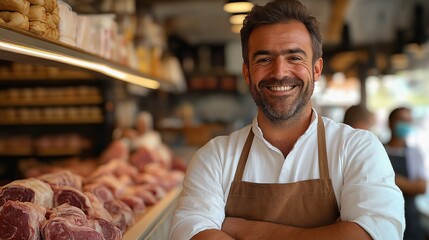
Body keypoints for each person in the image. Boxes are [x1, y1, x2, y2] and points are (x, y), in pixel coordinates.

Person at [168, 0, 405, 239]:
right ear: (247, 73)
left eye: (294, 58)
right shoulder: (214, 158)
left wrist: (246, 229)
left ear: (316, 69)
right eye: (264, 59)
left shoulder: (357, 148)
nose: (280, 72)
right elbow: (190, 234)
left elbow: (378, 233)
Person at [385, 107, 427, 240]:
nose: (406, 124)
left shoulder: (415, 152)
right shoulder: (379, 150)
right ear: (390, 123)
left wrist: (391, 178)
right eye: (402, 120)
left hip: (410, 218)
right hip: (385, 217)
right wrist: (409, 184)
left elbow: (421, 187)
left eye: (409, 121)